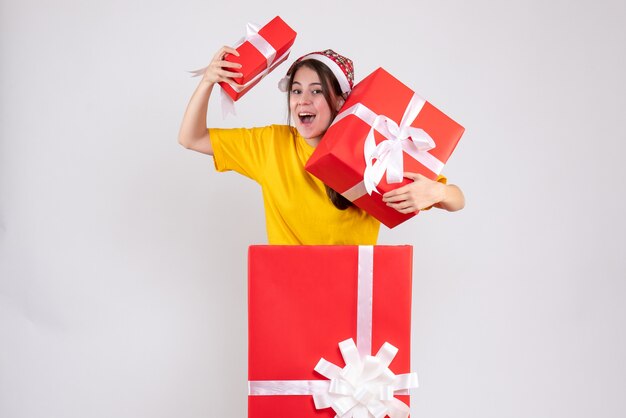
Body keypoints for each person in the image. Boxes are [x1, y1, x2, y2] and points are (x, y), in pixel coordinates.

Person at [178, 46, 465, 245]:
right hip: (287, 294)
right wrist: (207, 82)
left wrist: (436, 191)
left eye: (316, 91)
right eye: (296, 90)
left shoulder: (371, 150)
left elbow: (456, 200)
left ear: (341, 101)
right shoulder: (270, 144)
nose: (303, 100)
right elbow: (192, 138)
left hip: (352, 295)